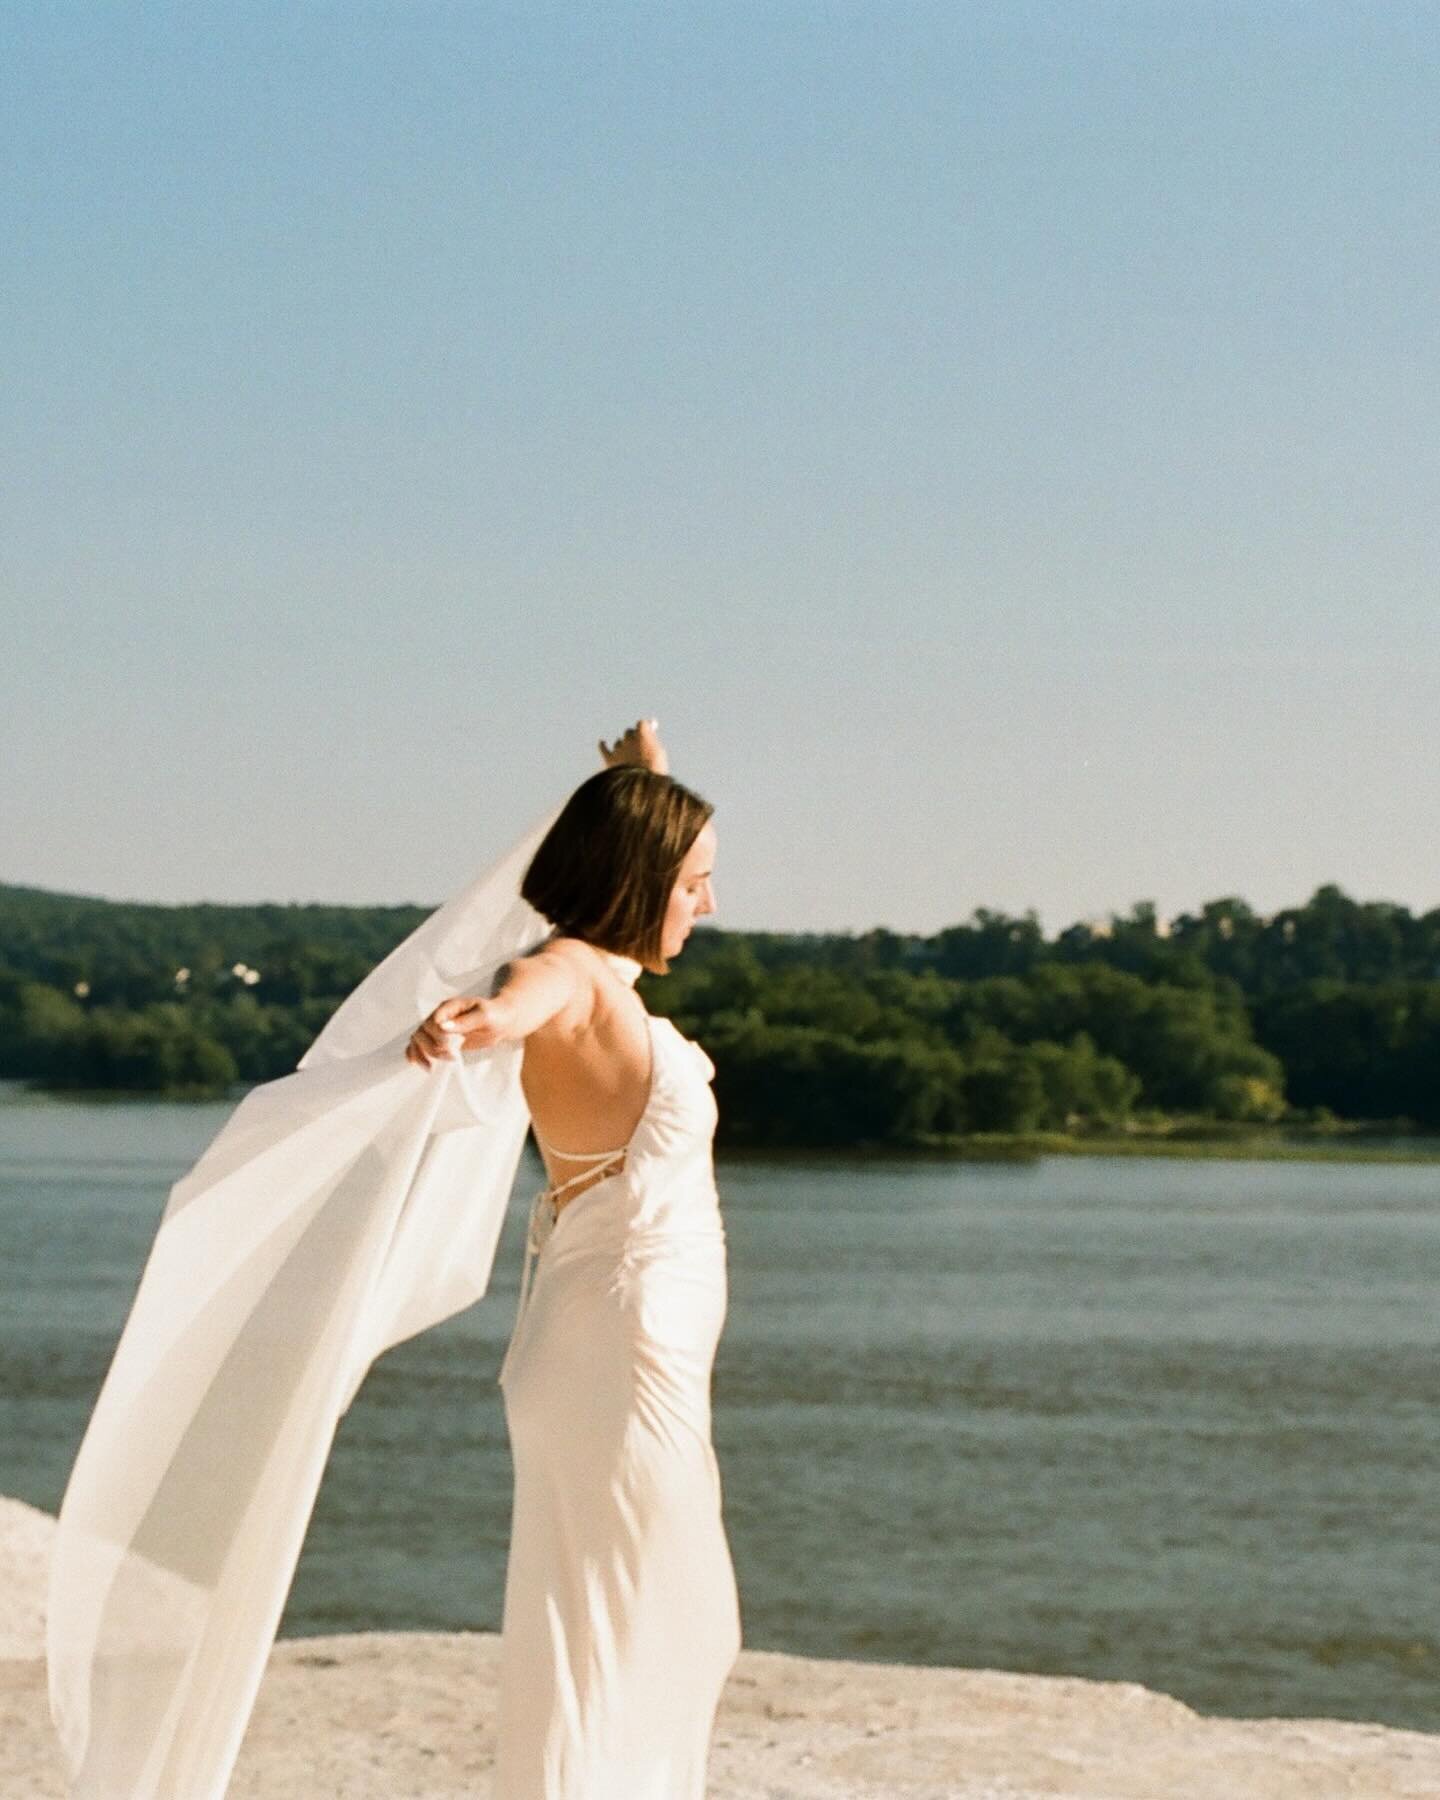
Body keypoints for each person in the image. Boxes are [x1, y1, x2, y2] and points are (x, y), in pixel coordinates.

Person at [404, 718, 742, 1799]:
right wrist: (482, 1021)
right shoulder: (568, 978)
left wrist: (640, 781)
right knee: (614, 1621)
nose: (708, 905)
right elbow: (527, 999)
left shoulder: (610, 977)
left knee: (649, 1618)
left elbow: (582, 970)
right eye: (694, 883)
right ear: (642, 881)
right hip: (616, 1360)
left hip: (625, 1354)